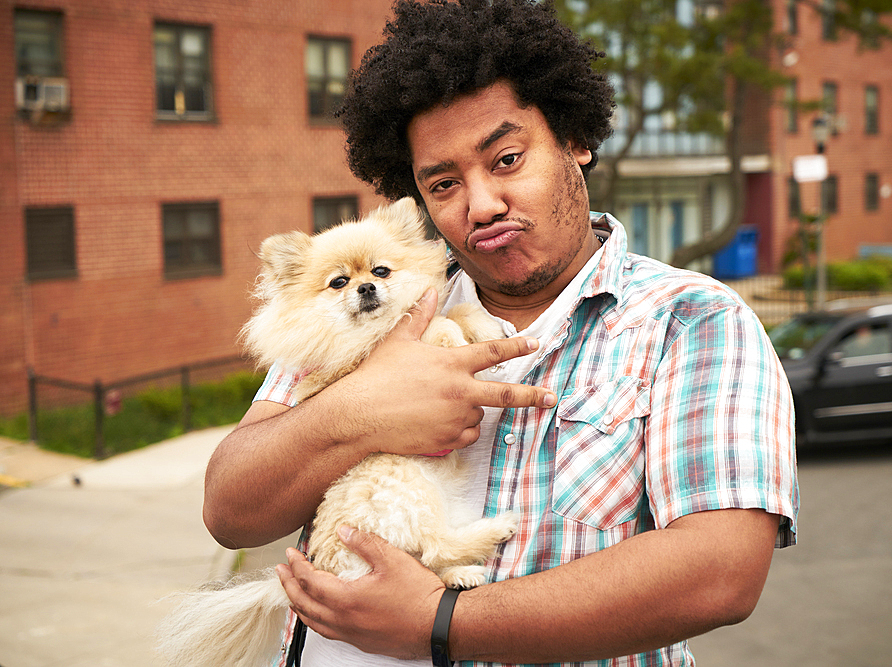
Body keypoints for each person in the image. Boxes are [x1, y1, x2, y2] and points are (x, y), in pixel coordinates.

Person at [202, 1, 799, 666]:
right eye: (444, 182)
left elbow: (720, 572)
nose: (480, 204)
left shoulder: (692, 320)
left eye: (507, 158)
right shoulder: (371, 313)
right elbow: (231, 509)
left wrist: (440, 621)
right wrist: (360, 410)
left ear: (573, 138)